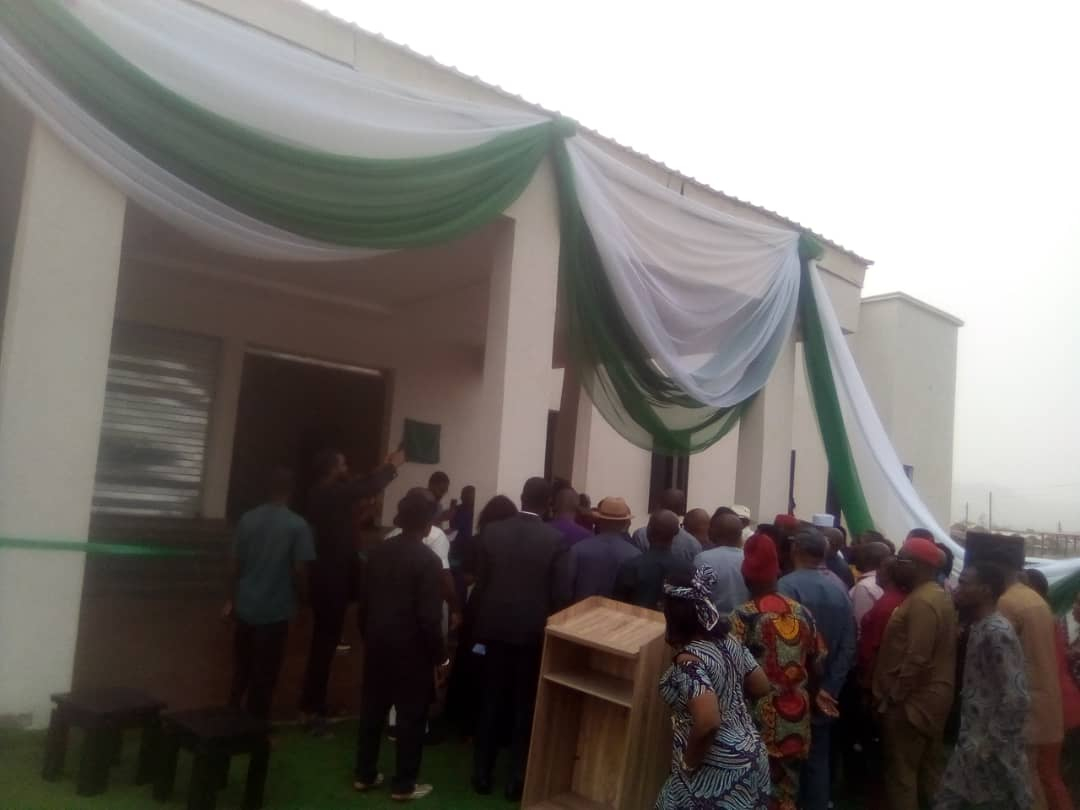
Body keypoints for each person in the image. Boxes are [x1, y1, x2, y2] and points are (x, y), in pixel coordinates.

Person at [471, 477, 568, 800]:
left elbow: (481, 585)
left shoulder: (492, 532)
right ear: (548, 503)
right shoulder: (555, 540)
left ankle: (481, 773)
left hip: (493, 629)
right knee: (524, 705)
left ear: (522, 497)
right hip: (532, 633)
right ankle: (517, 778)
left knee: (491, 700)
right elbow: (560, 595)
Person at [353, 488, 448, 801]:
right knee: (411, 716)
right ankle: (404, 784)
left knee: (372, 710)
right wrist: (441, 657)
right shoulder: (429, 561)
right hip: (412, 651)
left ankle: (364, 774)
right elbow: (429, 618)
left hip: (377, 643)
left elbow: (364, 604)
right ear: (427, 523)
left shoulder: (378, 552)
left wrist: (369, 636)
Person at [300, 447, 404, 729]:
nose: (346, 467)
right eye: (343, 464)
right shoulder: (329, 492)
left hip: (327, 575)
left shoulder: (322, 494)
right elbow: (366, 486)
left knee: (325, 642)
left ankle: (313, 701)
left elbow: (357, 493)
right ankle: (312, 707)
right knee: (324, 643)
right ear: (332, 469)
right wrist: (392, 466)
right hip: (330, 577)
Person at [655, 567, 771, 809]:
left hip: (715, 767)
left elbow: (708, 722)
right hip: (752, 754)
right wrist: (728, 696)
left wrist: (688, 764)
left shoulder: (690, 661)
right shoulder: (729, 641)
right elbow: (761, 685)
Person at [731, 533, 824, 810]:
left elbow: (730, 673)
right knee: (785, 794)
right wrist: (807, 697)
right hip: (795, 718)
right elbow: (817, 664)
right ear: (776, 572)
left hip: (755, 721)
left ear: (746, 577)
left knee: (749, 794)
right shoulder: (803, 613)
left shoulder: (742, 616)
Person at [934, 561, 1032, 809]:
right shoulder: (979, 626)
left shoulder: (997, 632)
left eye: (964, 583)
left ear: (985, 590)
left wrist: (989, 745)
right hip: (972, 740)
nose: (957, 588)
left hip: (989, 748)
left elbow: (1017, 696)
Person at [872, 535, 957, 810]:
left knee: (902, 775)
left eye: (902, 559)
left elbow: (917, 658)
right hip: (930, 697)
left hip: (913, 703)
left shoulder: (923, 601)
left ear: (919, 566)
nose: (896, 564)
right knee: (928, 772)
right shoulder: (937, 594)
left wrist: (894, 698)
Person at [224, 467, 315, 721]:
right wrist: (304, 603)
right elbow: (300, 570)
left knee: (242, 668)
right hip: (275, 610)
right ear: (291, 491)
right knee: (265, 673)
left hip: (246, 606)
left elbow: (234, 565)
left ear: (267, 489)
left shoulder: (247, 519)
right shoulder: (297, 525)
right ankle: (256, 726)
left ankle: (229, 717)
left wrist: (231, 599)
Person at [778, 530, 856, 810]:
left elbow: (779, 644)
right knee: (817, 757)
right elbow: (848, 645)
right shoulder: (840, 588)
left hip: (790, 690)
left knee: (784, 758)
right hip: (824, 689)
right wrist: (830, 688)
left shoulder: (786, 586)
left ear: (795, 550)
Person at [995, 549, 1072, 810]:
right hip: (1055, 703)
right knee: (1046, 775)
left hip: (1053, 703)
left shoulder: (1026, 614)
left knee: (1042, 775)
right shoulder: (1049, 618)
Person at [445, 495, 518, 739]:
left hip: (477, 607)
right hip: (503, 610)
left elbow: (460, 574)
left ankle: (460, 715)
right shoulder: (510, 546)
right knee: (495, 663)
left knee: (470, 657)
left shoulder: (476, 541)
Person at [566, 496, 641, 602]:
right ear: (625, 524)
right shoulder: (635, 555)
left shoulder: (577, 549)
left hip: (581, 611)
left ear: (599, 521)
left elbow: (566, 589)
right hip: (616, 612)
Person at [613, 509, 692, 609]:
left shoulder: (630, 567)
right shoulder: (689, 570)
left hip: (635, 618)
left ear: (648, 531)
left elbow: (617, 607)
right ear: (676, 533)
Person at [856, 556, 905, 690]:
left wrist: (867, 682)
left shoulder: (887, 605)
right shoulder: (893, 598)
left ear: (890, 574)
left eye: (880, 568)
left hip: (871, 674)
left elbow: (877, 648)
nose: (877, 571)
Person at [693, 510, 750, 614]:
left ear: (713, 534)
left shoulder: (702, 559)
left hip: (711, 621)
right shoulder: (749, 559)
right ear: (740, 535)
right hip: (744, 621)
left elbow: (697, 597)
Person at [630, 488, 702, 562]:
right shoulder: (693, 544)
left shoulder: (640, 535)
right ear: (682, 510)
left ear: (659, 505)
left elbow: (634, 561)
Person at [851, 541, 892, 630]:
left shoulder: (865, 586)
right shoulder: (887, 581)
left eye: (861, 554)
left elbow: (860, 624)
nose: (857, 557)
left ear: (869, 559)